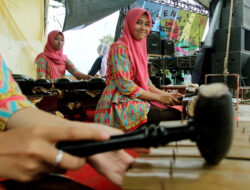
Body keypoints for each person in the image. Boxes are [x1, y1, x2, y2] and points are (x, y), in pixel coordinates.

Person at [0, 54, 134, 186]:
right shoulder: (43, 58)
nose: (59, 42)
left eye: (61, 40)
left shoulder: (64, 58)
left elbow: (6, 98)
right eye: (57, 39)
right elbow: (41, 80)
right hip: (51, 86)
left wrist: (81, 132)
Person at [94, 8, 183, 132]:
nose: (143, 28)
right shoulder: (119, 48)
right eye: (138, 22)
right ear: (130, 23)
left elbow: (147, 83)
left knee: (177, 110)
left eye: (147, 24)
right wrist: (159, 98)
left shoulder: (140, 49)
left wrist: (167, 95)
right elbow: (125, 85)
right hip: (118, 103)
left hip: (136, 99)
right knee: (173, 116)